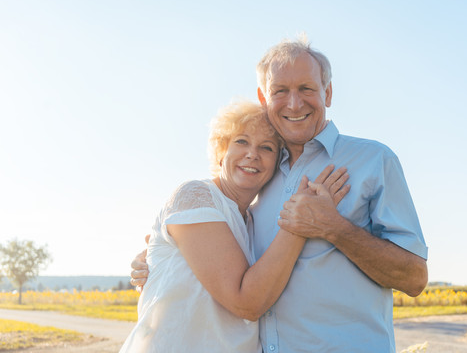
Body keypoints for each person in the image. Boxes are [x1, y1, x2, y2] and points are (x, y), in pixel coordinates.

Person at [132, 36, 428, 352]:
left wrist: (334, 228)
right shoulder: (259, 180)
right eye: (280, 91)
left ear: (327, 93)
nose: (294, 103)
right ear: (264, 97)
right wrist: (160, 257)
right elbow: (220, 255)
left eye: (306, 89)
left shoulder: (374, 161)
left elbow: (414, 278)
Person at [121, 100, 349, 353]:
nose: (253, 153)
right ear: (221, 151)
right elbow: (246, 303)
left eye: (267, 147)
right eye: (241, 141)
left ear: (277, 165)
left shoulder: (255, 221)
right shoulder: (195, 196)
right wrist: (301, 220)